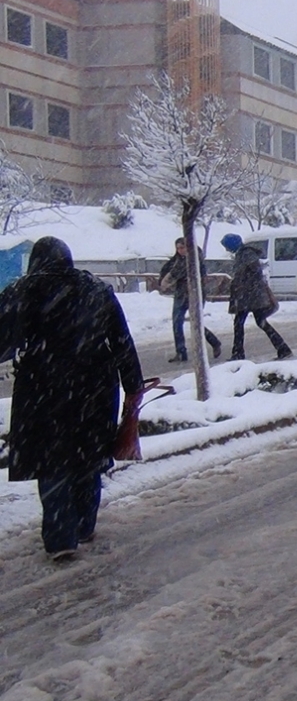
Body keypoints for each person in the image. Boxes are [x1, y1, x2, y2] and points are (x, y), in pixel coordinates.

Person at [0, 237, 143, 560]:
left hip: (42, 389)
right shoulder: (96, 289)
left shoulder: (22, 291)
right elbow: (122, 341)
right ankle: (83, 524)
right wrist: (133, 387)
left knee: (52, 461)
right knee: (88, 455)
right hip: (94, 388)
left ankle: (60, 536)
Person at [221, 233, 291, 362]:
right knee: (258, 323)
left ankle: (238, 353)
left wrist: (242, 283)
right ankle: (283, 349)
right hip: (249, 296)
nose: (226, 249)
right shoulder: (243, 253)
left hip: (250, 296)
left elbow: (254, 272)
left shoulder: (246, 254)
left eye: (227, 246)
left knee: (241, 324)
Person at [159, 237, 223, 362]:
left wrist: (166, 282)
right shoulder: (178, 259)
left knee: (196, 323)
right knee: (177, 323)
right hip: (181, 294)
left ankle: (214, 343)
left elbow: (177, 272)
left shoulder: (194, 259)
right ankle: (181, 352)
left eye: (182, 247)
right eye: (178, 248)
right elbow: (169, 268)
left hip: (195, 294)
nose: (179, 250)